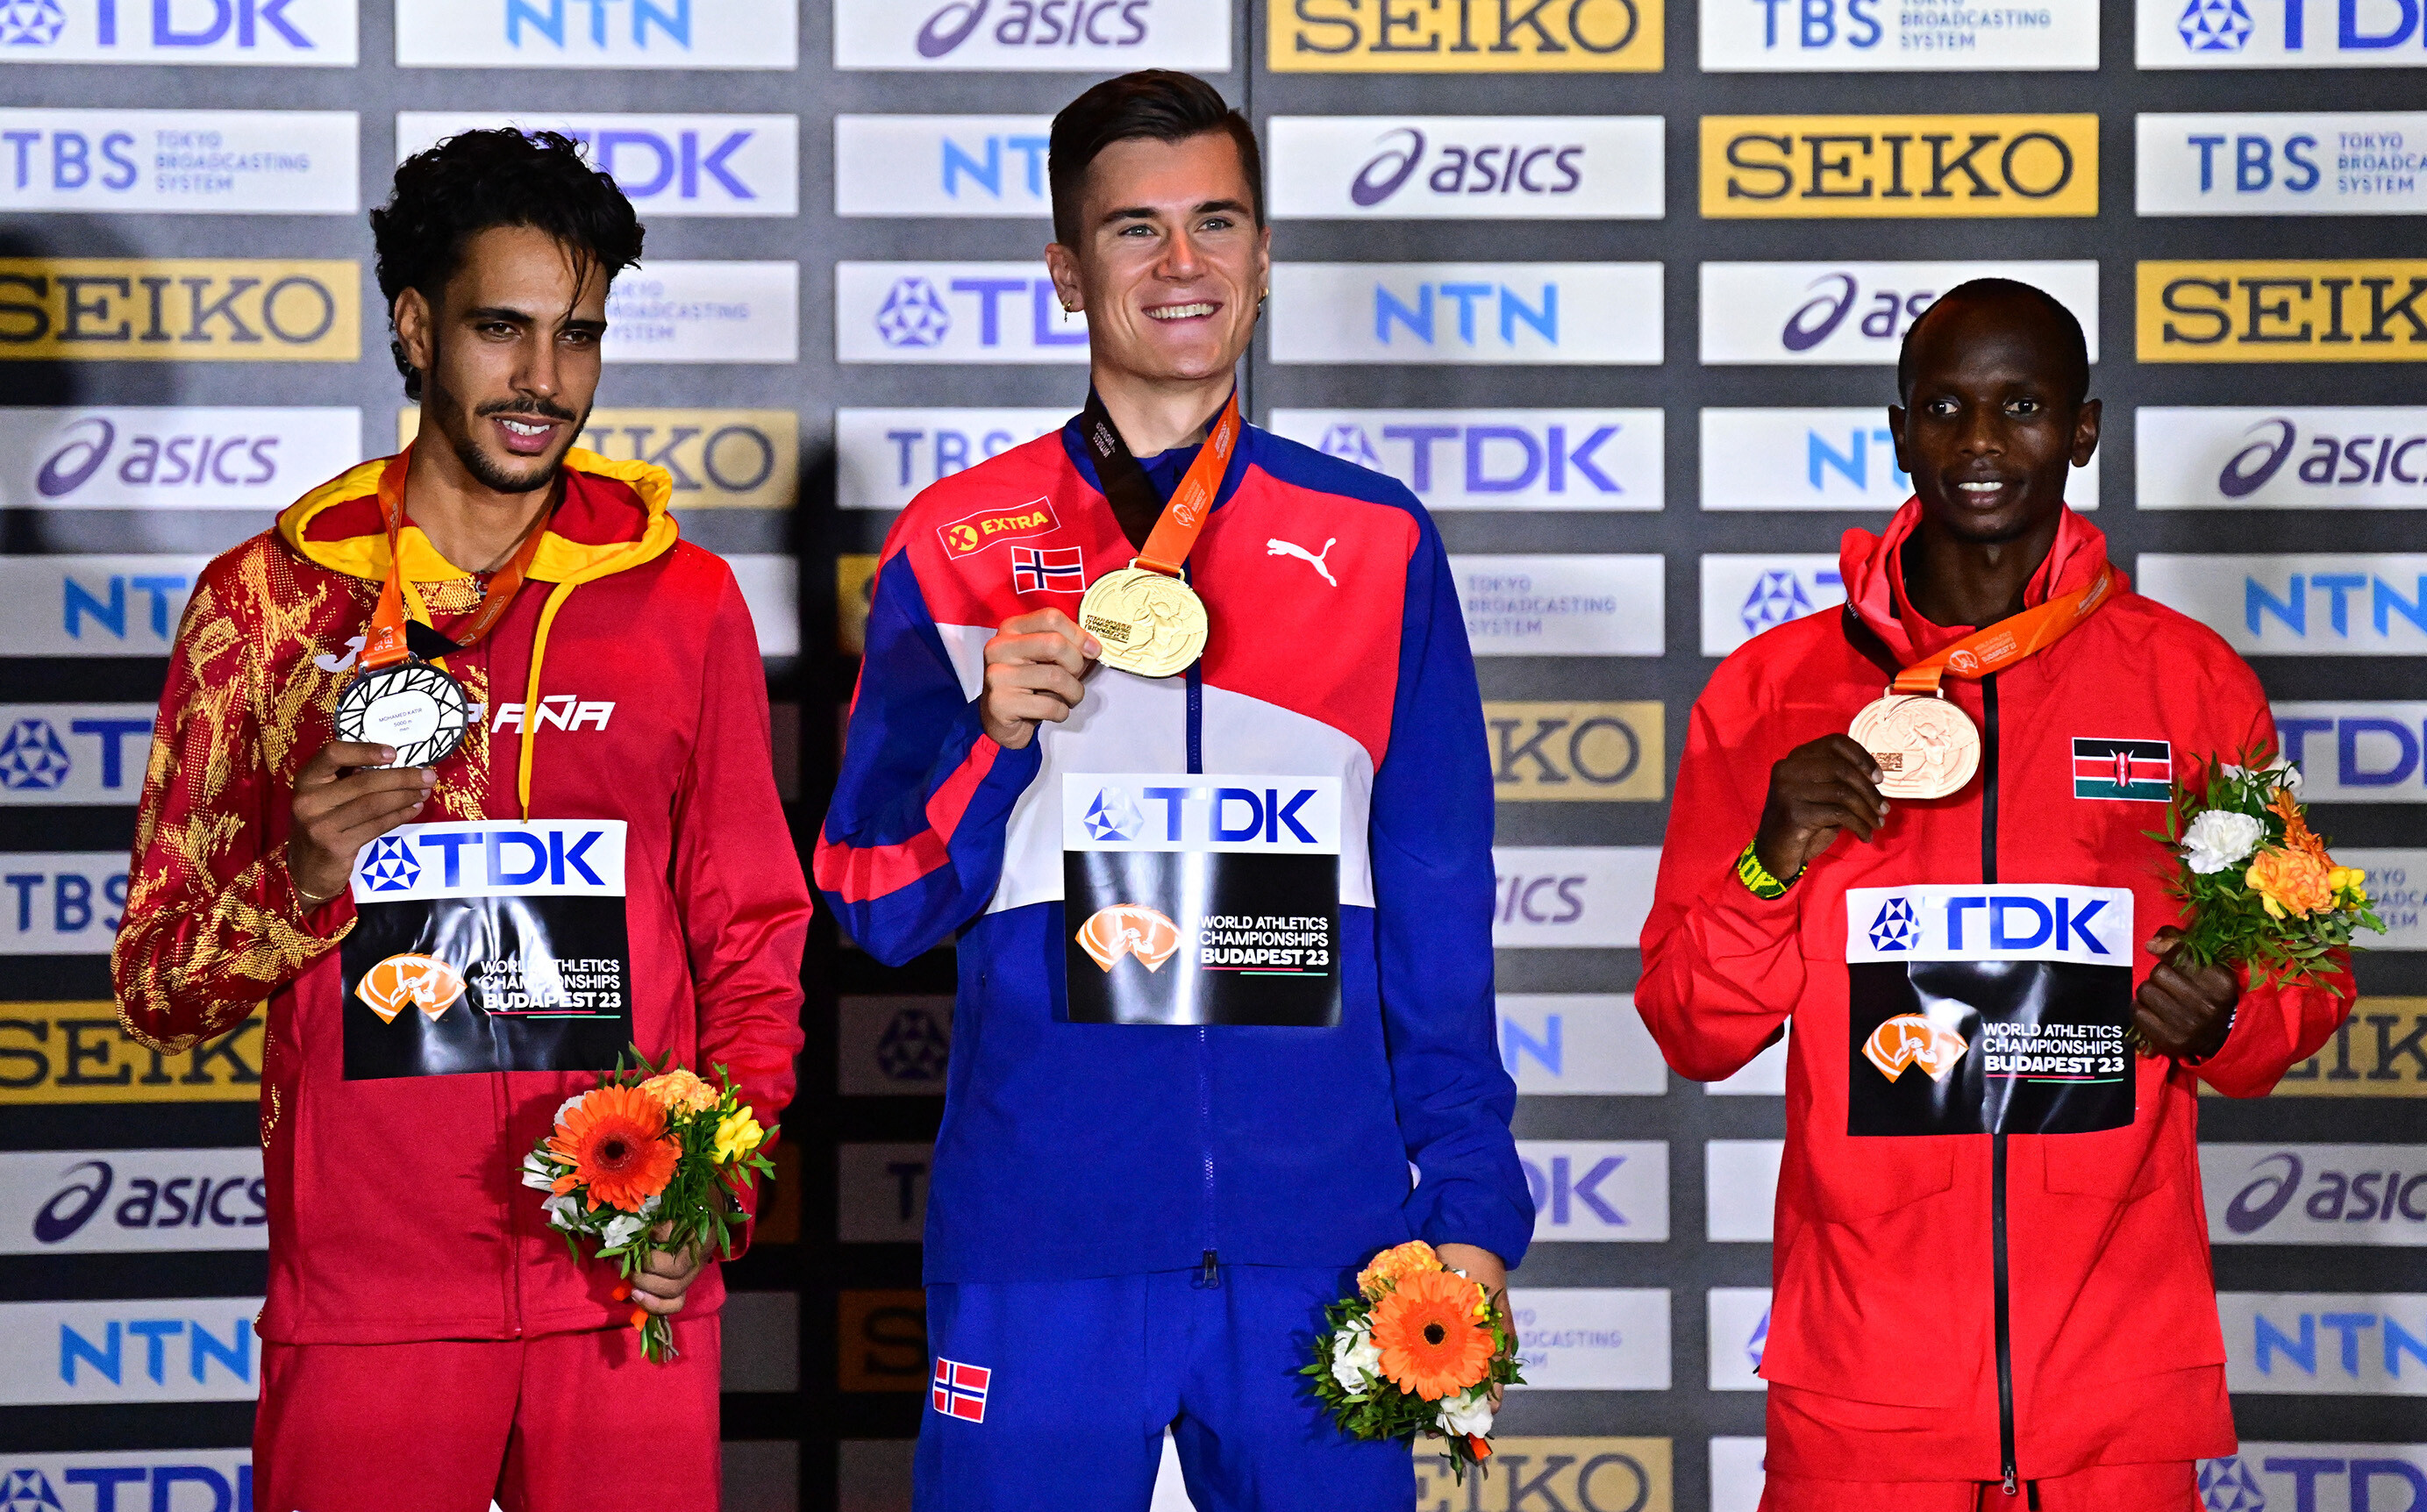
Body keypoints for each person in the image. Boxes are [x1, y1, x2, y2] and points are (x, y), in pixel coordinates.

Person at [815, 70, 1530, 1511]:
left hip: (1323, 1249)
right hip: (1044, 1244)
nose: (1182, 262)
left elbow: (1440, 910)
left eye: (1217, 222)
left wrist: (1469, 1202)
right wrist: (988, 741)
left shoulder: (1378, 541)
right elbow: (873, 904)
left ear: (1263, 257)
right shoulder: (956, 544)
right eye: (1135, 229)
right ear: (1067, 274)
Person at [111, 129, 810, 1511]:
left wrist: (715, 1191)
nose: (543, 379)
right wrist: (301, 880)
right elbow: (157, 985)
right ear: (418, 327)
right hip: (368, 1305)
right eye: (502, 329)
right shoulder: (264, 605)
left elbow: (751, 934)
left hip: (621, 1283)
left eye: (577, 336)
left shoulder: (685, 601)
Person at [1638, 279, 2356, 1512]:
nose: (1980, 441)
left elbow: (2307, 970)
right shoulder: (1770, 692)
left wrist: (2230, 1014)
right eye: (1945, 408)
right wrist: (1769, 861)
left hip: (2116, 1391)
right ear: (1898, 430)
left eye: (2022, 407)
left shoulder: (2189, 685)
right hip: (1863, 1392)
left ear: (2083, 429)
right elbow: (1693, 1026)